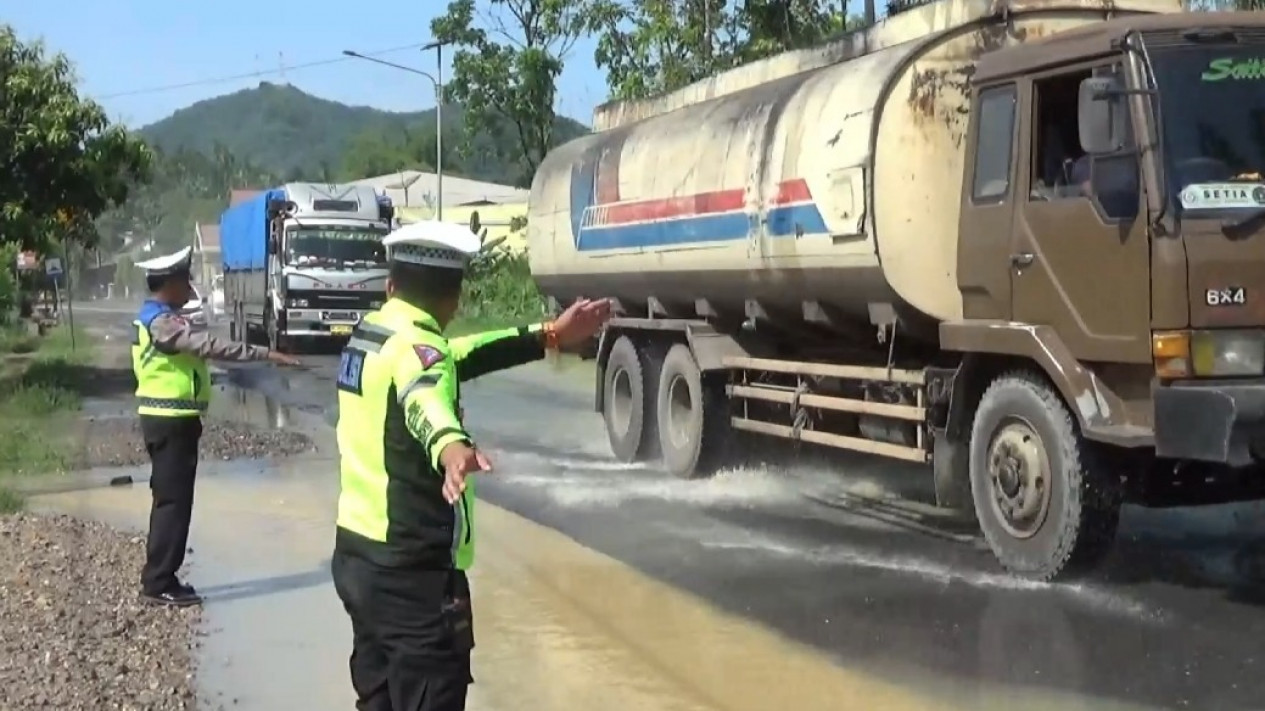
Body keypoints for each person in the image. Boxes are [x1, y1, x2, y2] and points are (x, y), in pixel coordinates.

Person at [331, 221, 611, 711]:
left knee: (376, 697)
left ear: (391, 286)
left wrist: (548, 335)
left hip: (358, 559)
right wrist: (450, 447)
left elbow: (454, 358)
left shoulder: (373, 335)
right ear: (454, 299)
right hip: (413, 573)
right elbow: (426, 400)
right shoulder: (420, 352)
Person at [131, 246, 301, 607]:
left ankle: (162, 576)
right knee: (173, 504)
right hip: (169, 422)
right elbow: (210, 347)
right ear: (170, 283)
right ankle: (159, 581)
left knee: (172, 501)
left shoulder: (159, 316)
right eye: (185, 281)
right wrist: (266, 355)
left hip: (170, 420)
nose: (190, 288)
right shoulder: (161, 322)